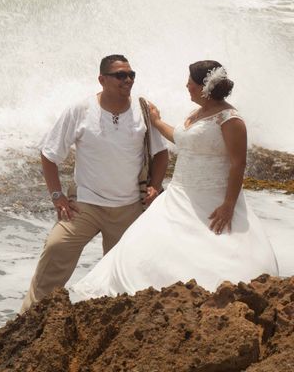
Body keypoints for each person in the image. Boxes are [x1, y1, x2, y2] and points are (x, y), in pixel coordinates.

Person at [71, 60, 279, 300]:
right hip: (179, 193)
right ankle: (145, 294)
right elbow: (184, 139)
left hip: (213, 197)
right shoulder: (198, 113)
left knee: (216, 252)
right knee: (144, 244)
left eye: (190, 81)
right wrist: (157, 121)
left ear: (204, 87)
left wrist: (229, 205)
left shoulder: (231, 119)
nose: (186, 86)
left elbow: (237, 164)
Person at [20, 55, 169, 313]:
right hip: (85, 206)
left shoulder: (143, 110)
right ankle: (28, 318)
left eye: (131, 74)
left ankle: (114, 328)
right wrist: (57, 196)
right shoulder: (80, 109)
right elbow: (49, 153)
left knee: (124, 281)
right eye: (120, 75)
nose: (128, 80)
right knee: (56, 248)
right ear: (102, 80)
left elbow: (161, 154)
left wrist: (155, 186)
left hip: (129, 208)